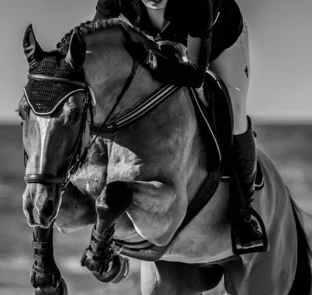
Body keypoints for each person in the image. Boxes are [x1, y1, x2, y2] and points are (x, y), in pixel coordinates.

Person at [93, 0, 266, 252]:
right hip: (158, 42)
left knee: (235, 114)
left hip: (220, 42)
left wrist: (151, 60)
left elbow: (195, 75)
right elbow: (98, 49)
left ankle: (244, 212)